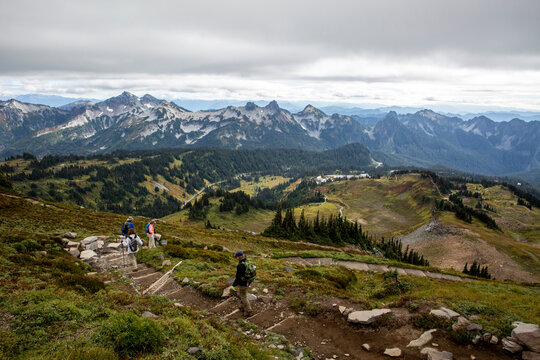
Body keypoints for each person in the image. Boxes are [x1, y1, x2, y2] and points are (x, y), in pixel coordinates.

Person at [231, 251, 255, 316]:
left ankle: (249, 311)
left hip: (243, 283)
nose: (236, 257)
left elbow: (237, 277)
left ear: (240, 257)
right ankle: (241, 307)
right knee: (242, 294)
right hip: (249, 281)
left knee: (243, 296)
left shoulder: (240, 265)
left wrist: (233, 285)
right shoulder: (247, 261)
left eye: (236, 256)